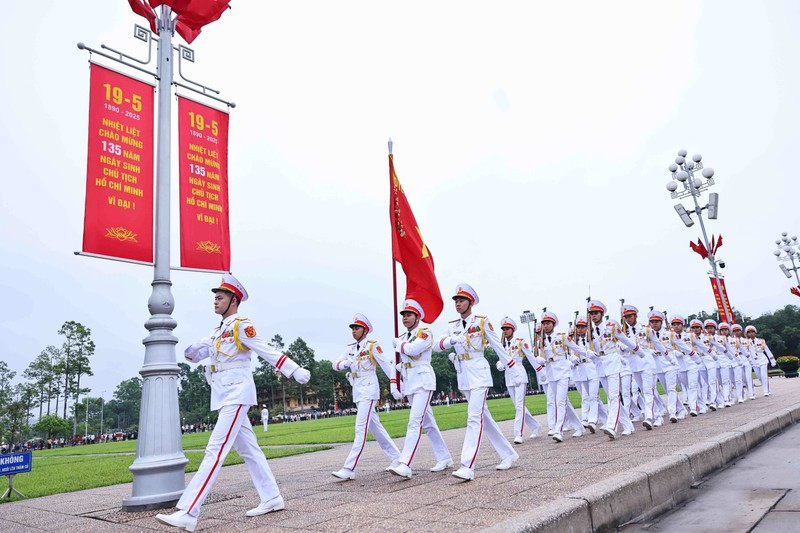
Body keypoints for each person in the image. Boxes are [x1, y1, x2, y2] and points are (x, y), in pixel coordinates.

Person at [156, 275, 311, 532]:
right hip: (223, 393)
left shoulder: (241, 326)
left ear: (233, 300)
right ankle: (272, 497)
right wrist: (193, 349)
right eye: (215, 297)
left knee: (214, 451)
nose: (215, 301)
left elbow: (265, 349)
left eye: (220, 297)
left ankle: (189, 511)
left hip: (237, 393)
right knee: (250, 450)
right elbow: (194, 354)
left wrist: (294, 370)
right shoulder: (218, 330)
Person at [437, 284, 518, 481]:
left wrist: (512, 368)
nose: (458, 304)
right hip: (464, 375)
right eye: (456, 300)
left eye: (462, 300)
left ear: (470, 303)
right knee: (485, 419)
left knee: (474, 417)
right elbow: (437, 346)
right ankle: (508, 453)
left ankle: (467, 466)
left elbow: (498, 346)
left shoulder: (481, 322)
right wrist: (451, 341)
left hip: (479, 372)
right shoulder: (452, 326)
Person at [388, 299, 453, 478]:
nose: (405, 318)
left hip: (423, 381)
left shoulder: (426, 333)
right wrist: (394, 384)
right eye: (403, 315)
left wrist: (399, 345)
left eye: (409, 315)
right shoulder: (402, 338)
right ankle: (444, 457)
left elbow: (414, 349)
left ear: (417, 317)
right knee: (428, 423)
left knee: (414, 421)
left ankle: (405, 463)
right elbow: (396, 363)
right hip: (410, 382)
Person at [331, 313, 401, 480]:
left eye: (357, 328)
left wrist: (395, 384)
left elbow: (386, 365)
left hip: (369, 390)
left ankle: (349, 468)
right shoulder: (350, 348)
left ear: (365, 330)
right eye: (353, 328)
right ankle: (397, 458)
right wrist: (344, 364)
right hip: (357, 390)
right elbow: (335, 364)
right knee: (376, 428)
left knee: (360, 429)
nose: (354, 331)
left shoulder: (372, 346)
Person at [496, 317, 540, 443]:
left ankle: (518, 433)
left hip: (519, 374)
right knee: (518, 406)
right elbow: (501, 358)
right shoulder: (501, 344)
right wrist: (499, 363)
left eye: (507, 329)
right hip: (509, 376)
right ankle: (535, 426)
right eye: (504, 329)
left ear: (513, 330)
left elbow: (531, 357)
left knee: (520, 405)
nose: (505, 331)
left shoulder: (519, 342)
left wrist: (540, 370)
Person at [746, 325, 777, 396]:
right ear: (747, 334)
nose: (751, 334)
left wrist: (772, 360)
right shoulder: (746, 342)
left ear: (755, 333)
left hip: (762, 359)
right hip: (754, 361)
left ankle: (766, 391)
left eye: (752, 332)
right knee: (759, 377)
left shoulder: (761, 341)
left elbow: (767, 351)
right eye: (749, 332)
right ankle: (768, 389)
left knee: (764, 376)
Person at [731, 324, 756, 400]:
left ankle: (752, 393)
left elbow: (751, 351)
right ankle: (743, 393)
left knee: (748, 377)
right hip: (737, 360)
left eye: (738, 331)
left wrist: (753, 360)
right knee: (742, 378)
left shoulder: (746, 341)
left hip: (746, 359)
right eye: (734, 331)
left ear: (741, 331)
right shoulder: (731, 341)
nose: (736, 332)